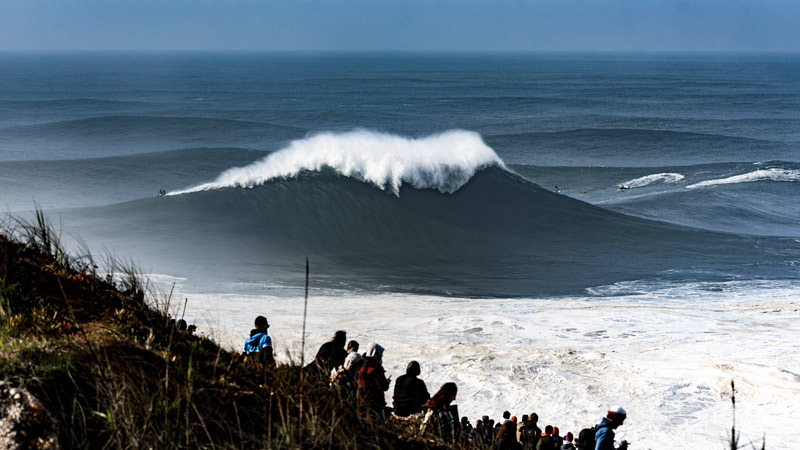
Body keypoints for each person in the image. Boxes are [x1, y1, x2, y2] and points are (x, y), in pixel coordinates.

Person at [357, 342, 390, 421]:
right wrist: (387, 382)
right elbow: (384, 386)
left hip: (360, 401)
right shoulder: (376, 367)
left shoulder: (359, 363)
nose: (381, 356)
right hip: (375, 403)